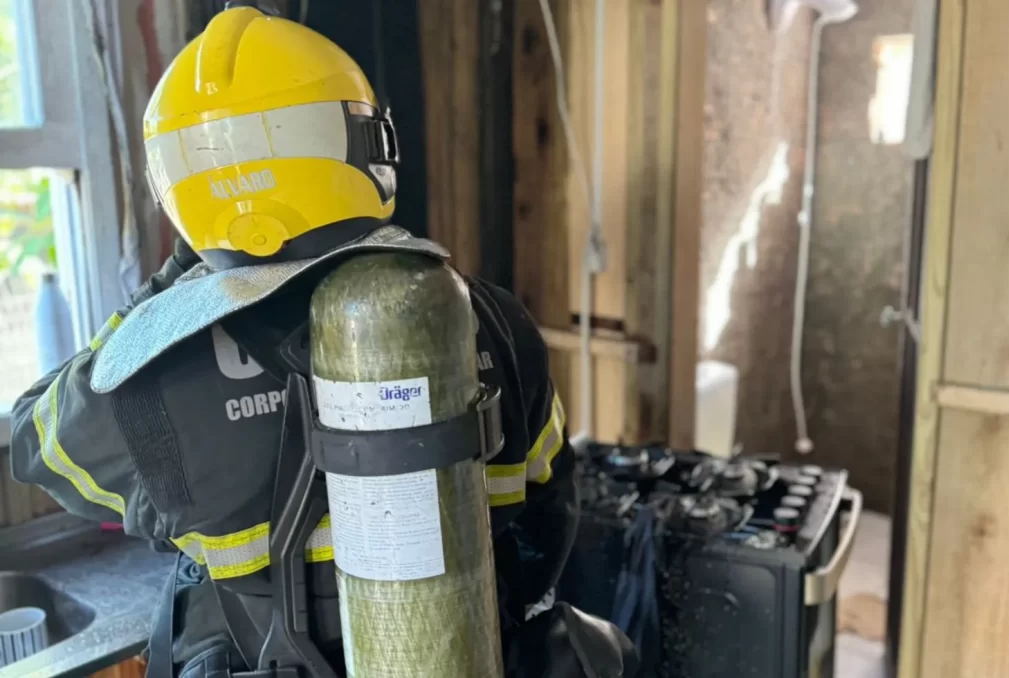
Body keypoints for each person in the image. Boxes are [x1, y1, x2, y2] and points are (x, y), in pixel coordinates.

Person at [8, 6, 638, 678]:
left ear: (177, 185)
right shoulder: (491, 317)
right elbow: (550, 510)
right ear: (362, 146)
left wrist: (167, 292)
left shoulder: (150, 380)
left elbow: (32, 439)